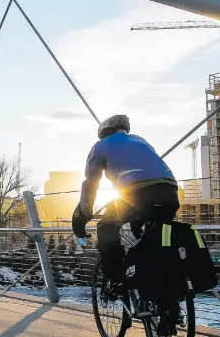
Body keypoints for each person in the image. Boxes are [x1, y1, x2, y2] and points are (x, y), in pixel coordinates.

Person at [72, 114, 180, 289]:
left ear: (103, 132)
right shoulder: (141, 141)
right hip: (169, 191)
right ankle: (163, 298)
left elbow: (90, 183)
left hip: (134, 192)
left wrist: (84, 213)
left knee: (106, 227)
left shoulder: (101, 146)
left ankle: (117, 280)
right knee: (154, 237)